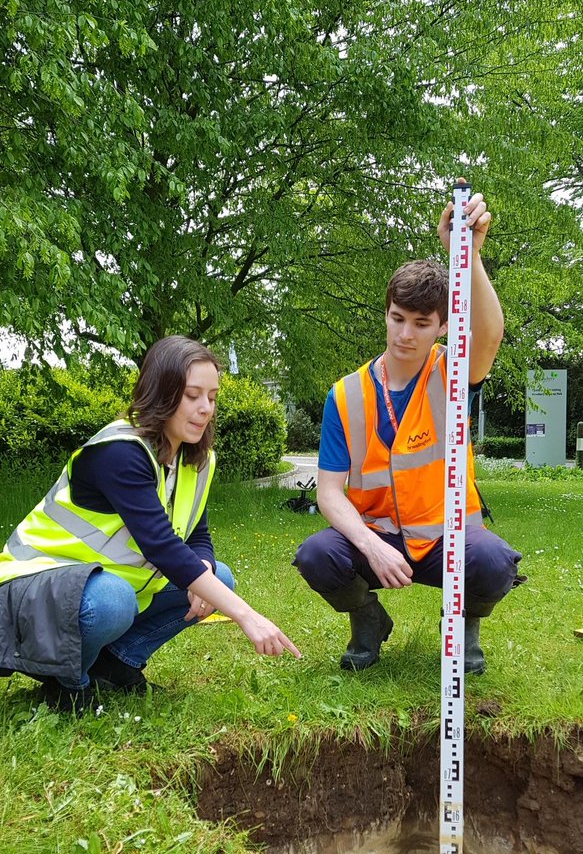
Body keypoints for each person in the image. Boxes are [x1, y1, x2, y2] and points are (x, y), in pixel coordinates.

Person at [293, 184, 524, 674]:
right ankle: (368, 621)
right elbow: (329, 494)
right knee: (316, 554)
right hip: (377, 536)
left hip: (447, 539)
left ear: (442, 326)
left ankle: (464, 625)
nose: (404, 334)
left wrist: (469, 256)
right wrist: (372, 546)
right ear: (386, 312)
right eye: (397, 318)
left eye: (421, 323)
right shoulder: (346, 395)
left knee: (494, 561)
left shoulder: (452, 372)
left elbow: (489, 334)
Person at [0, 336, 300, 710]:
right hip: (32, 594)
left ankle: (115, 663)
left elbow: (197, 535)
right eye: (192, 395)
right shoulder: (119, 452)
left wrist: (203, 564)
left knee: (217, 577)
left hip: (98, 589)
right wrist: (246, 615)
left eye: (212, 396)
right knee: (114, 600)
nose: (205, 408)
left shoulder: (196, 460)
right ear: (161, 392)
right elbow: (162, 546)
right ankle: (67, 682)